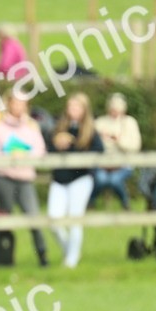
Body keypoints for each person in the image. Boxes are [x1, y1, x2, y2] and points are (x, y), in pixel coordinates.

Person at [0, 93, 48, 267]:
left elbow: (40, 150)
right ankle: (2, 257)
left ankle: (42, 255)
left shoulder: (31, 126)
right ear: (9, 104)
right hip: (4, 178)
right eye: (16, 103)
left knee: (33, 216)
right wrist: (10, 158)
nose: (19, 107)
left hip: (25, 179)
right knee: (4, 218)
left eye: (22, 104)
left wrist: (24, 156)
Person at [46, 94, 104, 268]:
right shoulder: (58, 127)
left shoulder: (90, 131)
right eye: (70, 106)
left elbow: (98, 152)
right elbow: (48, 149)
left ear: (84, 110)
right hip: (59, 179)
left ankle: (71, 262)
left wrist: (72, 144)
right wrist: (57, 144)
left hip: (80, 179)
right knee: (54, 220)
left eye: (77, 107)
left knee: (74, 219)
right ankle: (70, 250)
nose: (72, 110)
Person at [92, 93, 142, 210]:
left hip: (124, 164)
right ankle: (90, 203)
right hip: (102, 164)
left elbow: (135, 146)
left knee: (114, 180)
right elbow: (95, 144)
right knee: (101, 179)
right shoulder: (100, 122)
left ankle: (125, 203)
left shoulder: (130, 123)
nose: (115, 112)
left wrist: (118, 141)